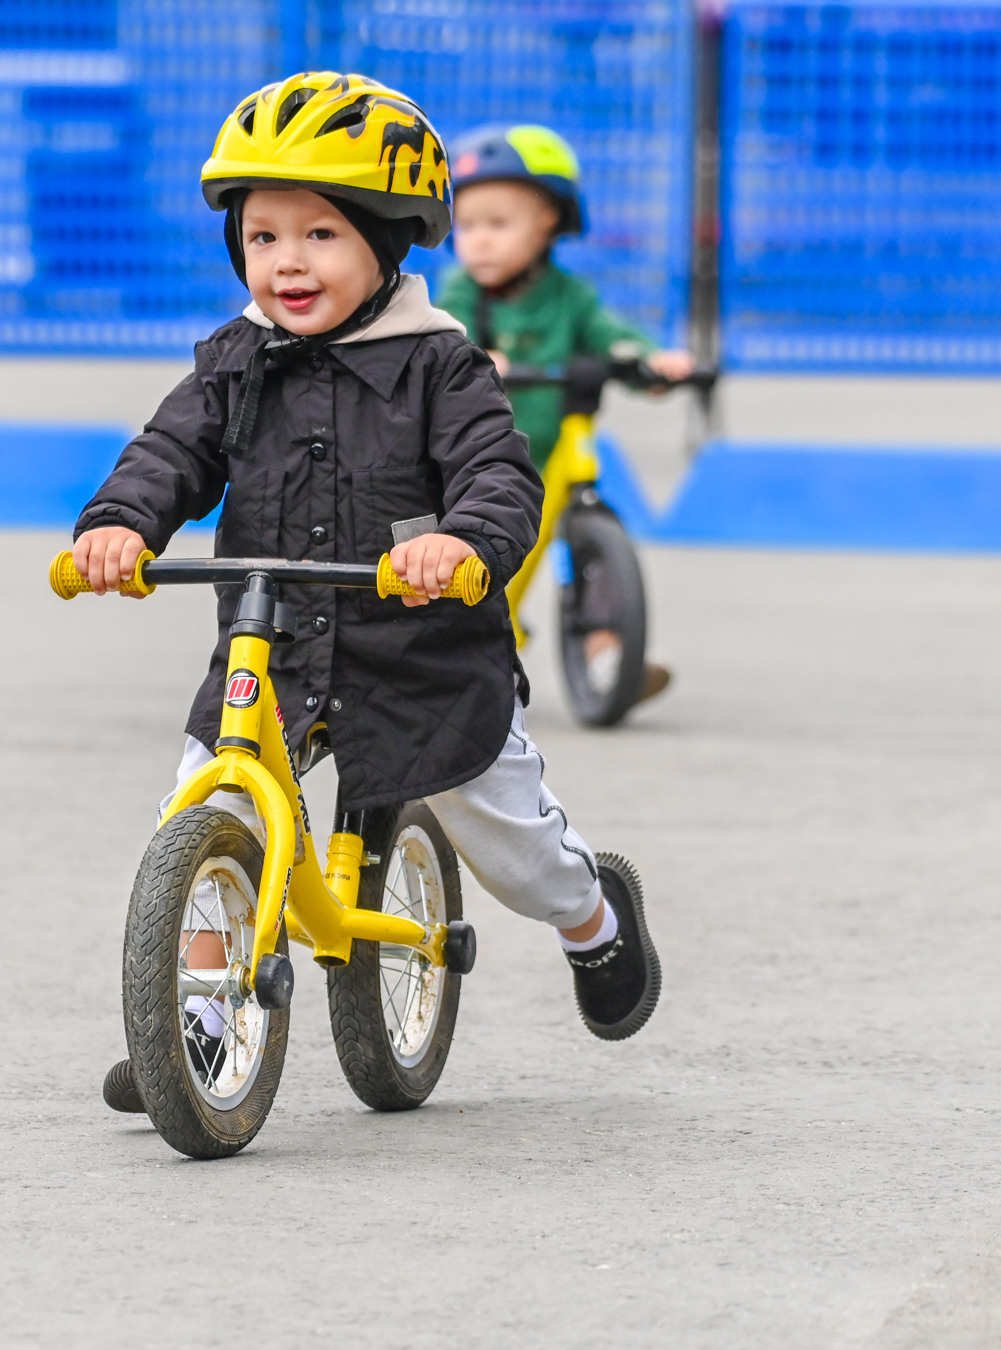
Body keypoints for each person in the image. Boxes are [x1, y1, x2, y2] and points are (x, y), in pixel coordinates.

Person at [70, 74, 662, 1089]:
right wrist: (121, 522)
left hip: (421, 654)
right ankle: (197, 1029)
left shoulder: (440, 364)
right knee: (199, 817)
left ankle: (594, 915)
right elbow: (169, 451)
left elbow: (495, 471)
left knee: (511, 846)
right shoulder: (232, 363)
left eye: (319, 236)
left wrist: (465, 542)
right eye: (262, 238)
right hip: (276, 648)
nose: (285, 263)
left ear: (387, 241)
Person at [436, 124, 692, 703]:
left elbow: (611, 336)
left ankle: (607, 653)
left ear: (547, 221)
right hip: (474, 464)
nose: (479, 241)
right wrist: (477, 357)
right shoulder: (459, 295)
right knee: (468, 564)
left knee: (594, 547)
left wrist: (652, 364)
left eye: (498, 225)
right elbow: (446, 341)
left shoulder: (570, 296)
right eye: (468, 225)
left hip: (555, 454)